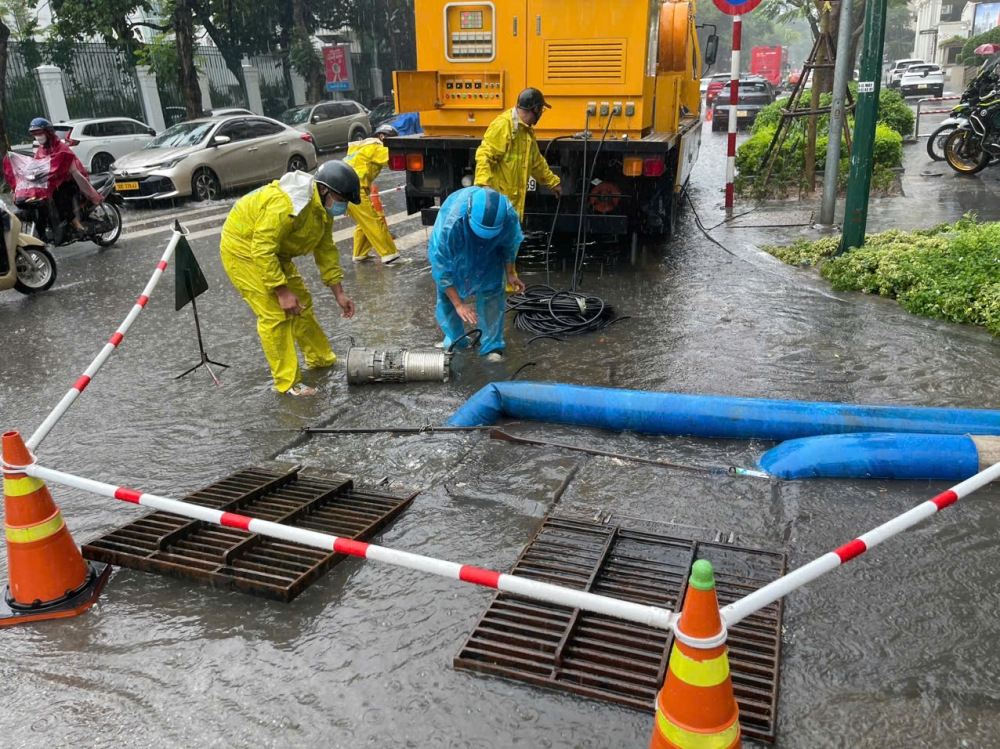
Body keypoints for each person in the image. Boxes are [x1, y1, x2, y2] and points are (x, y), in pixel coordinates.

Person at [220, 160, 359, 397]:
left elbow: (325, 250)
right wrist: (281, 290)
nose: (342, 205)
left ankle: (320, 359)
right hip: (244, 249)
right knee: (275, 314)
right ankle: (288, 384)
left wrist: (339, 292)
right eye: (341, 198)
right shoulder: (288, 204)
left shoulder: (322, 209)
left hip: (275, 252)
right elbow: (262, 248)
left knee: (301, 303)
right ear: (324, 189)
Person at [475, 88, 562, 290]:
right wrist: (484, 186)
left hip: (512, 203)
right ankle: (495, 289)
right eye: (541, 110)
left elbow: (536, 163)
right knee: (497, 245)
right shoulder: (504, 126)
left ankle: (506, 283)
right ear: (536, 108)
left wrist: (552, 182)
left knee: (509, 244)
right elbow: (485, 154)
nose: (541, 114)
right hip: (498, 202)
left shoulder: (525, 132)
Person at [427, 186, 525, 362]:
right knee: (447, 293)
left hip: (491, 254)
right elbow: (441, 268)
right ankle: (456, 339)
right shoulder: (452, 224)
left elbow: (509, 244)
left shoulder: (509, 217)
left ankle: (491, 346)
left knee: (493, 291)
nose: (485, 238)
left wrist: (509, 273)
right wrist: (458, 304)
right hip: (458, 251)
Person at [344, 123, 404, 264]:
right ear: (383, 136)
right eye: (391, 141)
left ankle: (359, 254)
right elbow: (393, 158)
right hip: (353, 189)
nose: (392, 145)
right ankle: (390, 256)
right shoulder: (377, 145)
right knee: (373, 221)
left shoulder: (362, 144)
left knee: (363, 222)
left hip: (345, 187)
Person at [28, 118, 90, 237]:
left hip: (71, 180)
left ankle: (77, 225)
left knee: (59, 197)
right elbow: (35, 164)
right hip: (53, 182)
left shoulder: (61, 148)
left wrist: (46, 174)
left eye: (40, 133)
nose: (38, 137)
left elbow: (58, 168)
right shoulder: (42, 149)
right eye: (35, 134)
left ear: (48, 133)